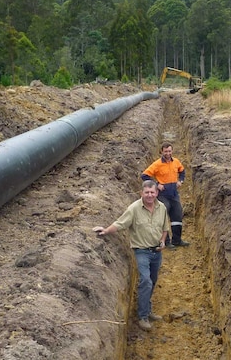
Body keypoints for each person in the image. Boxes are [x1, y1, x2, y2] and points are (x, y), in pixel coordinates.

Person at [93, 180, 170, 332]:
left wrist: (162, 241)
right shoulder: (134, 209)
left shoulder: (161, 208)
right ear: (141, 193)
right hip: (141, 251)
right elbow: (121, 223)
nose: (149, 195)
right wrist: (106, 231)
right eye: (146, 192)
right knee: (146, 281)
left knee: (152, 281)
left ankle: (147, 310)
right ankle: (142, 316)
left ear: (157, 193)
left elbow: (165, 227)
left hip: (156, 252)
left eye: (152, 192)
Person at [140, 142, 190, 247]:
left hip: (174, 194)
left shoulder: (176, 162)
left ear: (172, 151)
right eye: (166, 151)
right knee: (162, 217)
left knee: (177, 216)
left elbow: (182, 171)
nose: (168, 153)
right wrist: (157, 184)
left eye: (169, 151)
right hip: (162, 195)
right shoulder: (157, 164)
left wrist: (180, 181)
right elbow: (144, 175)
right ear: (162, 152)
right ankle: (166, 242)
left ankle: (177, 240)